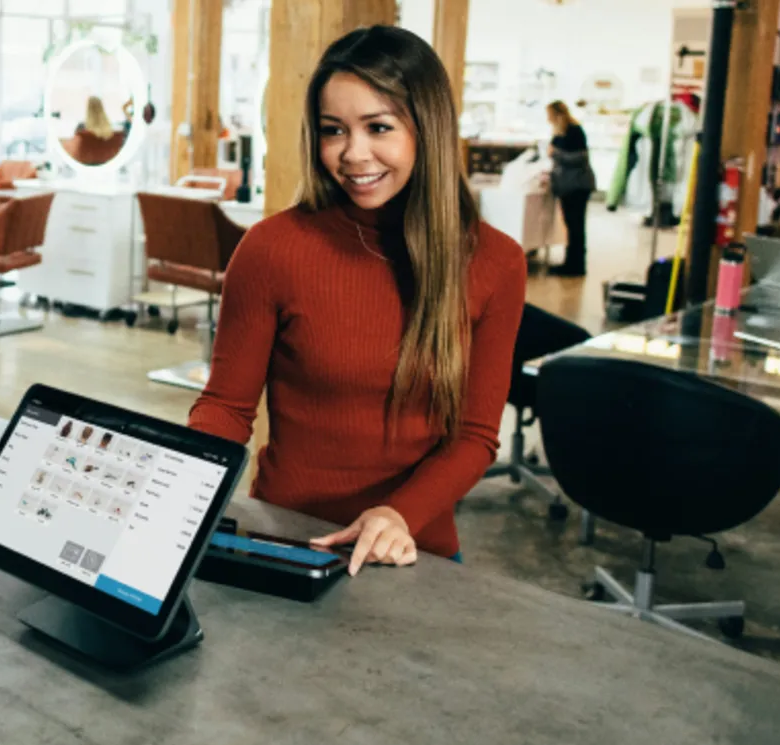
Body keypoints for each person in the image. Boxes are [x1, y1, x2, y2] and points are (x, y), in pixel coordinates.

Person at [190, 26, 525, 572]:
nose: (352, 154)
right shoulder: (273, 248)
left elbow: (475, 436)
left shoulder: (495, 262)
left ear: (428, 129)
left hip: (413, 551)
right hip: (287, 540)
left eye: (378, 127)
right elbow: (227, 408)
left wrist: (397, 514)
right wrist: (178, 486)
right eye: (333, 130)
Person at [546, 100, 596, 276]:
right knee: (572, 226)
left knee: (576, 227)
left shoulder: (574, 131)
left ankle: (576, 266)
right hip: (568, 186)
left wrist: (556, 154)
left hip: (576, 186)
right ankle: (571, 262)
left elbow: (580, 158)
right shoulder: (562, 132)